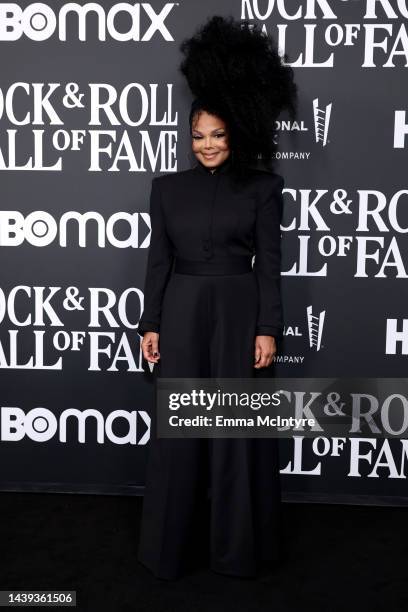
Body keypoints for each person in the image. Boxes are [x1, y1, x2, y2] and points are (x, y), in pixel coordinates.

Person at [137, 15, 298, 580]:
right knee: (179, 433)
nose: (207, 145)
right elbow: (158, 261)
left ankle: (238, 552)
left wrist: (267, 329)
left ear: (237, 134)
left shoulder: (263, 188)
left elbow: (271, 266)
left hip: (238, 311)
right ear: (189, 138)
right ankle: (168, 551)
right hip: (180, 311)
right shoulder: (166, 190)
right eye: (198, 135)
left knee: (235, 433)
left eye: (218, 134)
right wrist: (149, 323)